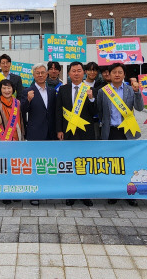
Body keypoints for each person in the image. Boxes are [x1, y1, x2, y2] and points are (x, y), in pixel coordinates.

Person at [96, 62, 143, 206]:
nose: (117, 74)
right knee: (113, 164)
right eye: (114, 72)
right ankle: (113, 192)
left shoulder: (130, 90)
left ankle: (130, 192)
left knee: (128, 163)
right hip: (110, 131)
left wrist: (137, 92)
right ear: (109, 75)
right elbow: (99, 111)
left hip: (127, 131)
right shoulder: (103, 91)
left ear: (124, 75)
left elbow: (140, 108)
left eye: (120, 72)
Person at [56, 61, 96, 207]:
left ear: (83, 72)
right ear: (69, 73)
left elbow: (95, 113)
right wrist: (59, 129)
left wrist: (91, 99)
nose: (76, 73)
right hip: (68, 132)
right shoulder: (63, 89)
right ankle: (71, 193)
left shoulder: (90, 89)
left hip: (86, 133)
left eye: (79, 70)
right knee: (70, 163)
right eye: (74, 71)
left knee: (84, 163)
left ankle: (85, 194)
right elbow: (58, 111)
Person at [21, 63, 56, 206]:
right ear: (33, 75)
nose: (40, 75)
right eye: (37, 73)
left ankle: (48, 189)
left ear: (47, 74)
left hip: (51, 132)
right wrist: (28, 100)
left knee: (48, 163)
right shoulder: (27, 91)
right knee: (35, 163)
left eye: (43, 72)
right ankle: (34, 192)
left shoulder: (52, 91)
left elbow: (54, 112)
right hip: (35, 132)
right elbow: (22, 110)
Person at [84, 62, 101, 140]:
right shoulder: (81, 84)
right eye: (90, 70)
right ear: (85, 71)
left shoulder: (99, 85)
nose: (92, 72)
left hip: (96, 120)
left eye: (94, 70)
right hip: (84, 119)